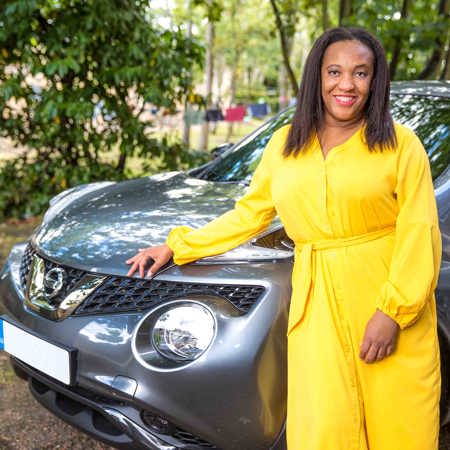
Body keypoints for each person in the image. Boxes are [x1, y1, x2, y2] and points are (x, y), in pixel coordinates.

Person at [126, 27, 441, 450]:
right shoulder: (284, 146)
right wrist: (178, 246)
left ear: (375, 80)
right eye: (334, 71)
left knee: (399, 422)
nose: (346, 84)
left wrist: (393, 312)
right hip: (316, 307)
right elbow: (250, 214)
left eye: (360, 73)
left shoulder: (401, 145)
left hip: (384, 295)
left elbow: (419, 230)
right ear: (317, 77)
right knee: (324, 426)